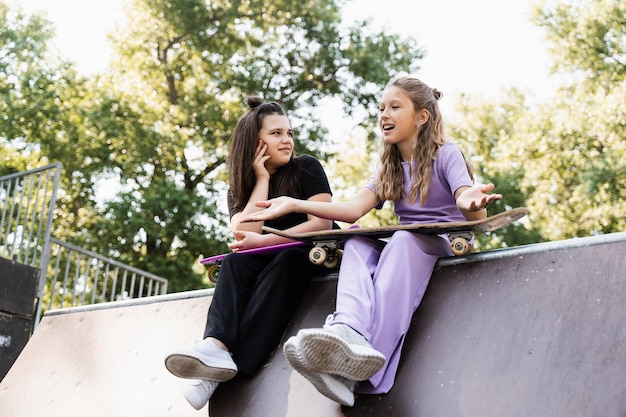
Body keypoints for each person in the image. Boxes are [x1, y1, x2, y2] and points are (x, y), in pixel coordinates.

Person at [242, 76, 503, 407]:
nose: (384, 114)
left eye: (395, 107)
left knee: (403, 239)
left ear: (422, 116)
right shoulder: (389, 168)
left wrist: (470, 204)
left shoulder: (446, 154)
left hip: (440, 242)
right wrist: (295, 204)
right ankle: (347, 330)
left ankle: (361, 365)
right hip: (405, 244)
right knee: (356, 241)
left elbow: (467, 201)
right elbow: (351, 211)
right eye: (382, 108)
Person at [164, 96, 338, 410]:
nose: (287, 140)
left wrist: (266, 244)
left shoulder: (306, 166)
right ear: (255, 143)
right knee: (233, 263)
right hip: (270, 259)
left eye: (289, 133)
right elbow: (246, 236)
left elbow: (321, 222)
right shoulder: (240, 187)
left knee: (286, 259)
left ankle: (228, 367)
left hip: (315, 253)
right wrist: (261, 179)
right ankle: (215, 346)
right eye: (276, 134)